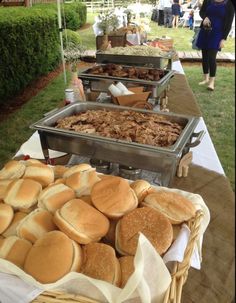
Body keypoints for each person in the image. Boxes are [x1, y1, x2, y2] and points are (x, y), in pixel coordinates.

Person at [196, 0, 235, 91]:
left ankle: (211, 82)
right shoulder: (208, 0)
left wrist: (223, 38)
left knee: (211, 57)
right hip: (205, 30)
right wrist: (205, 17)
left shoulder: (229, 3)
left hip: (217, 33)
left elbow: (229, 22)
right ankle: (205, 78)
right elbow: (202, 12)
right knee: (204, 55)